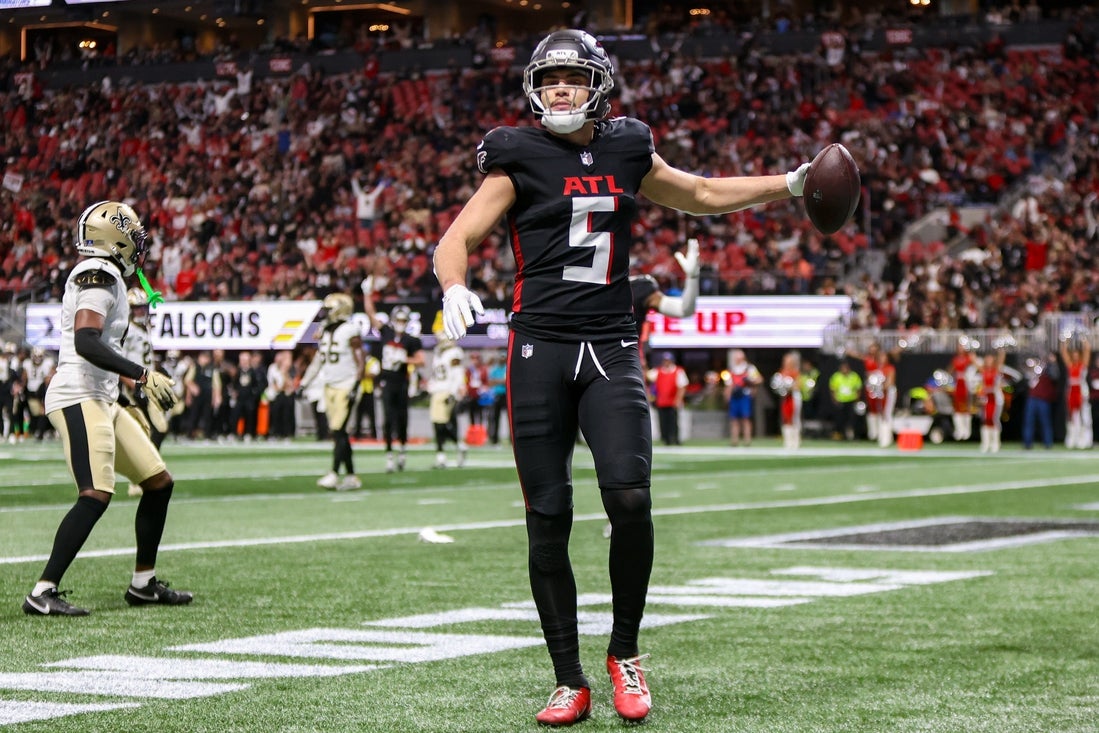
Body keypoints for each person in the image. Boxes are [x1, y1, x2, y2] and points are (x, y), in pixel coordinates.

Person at [432, 29, 811, 726]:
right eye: (549, 80)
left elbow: (699, 192)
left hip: (609, 343)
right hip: (539, 347)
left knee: (630, 499)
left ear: (599, 85)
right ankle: (567, 679)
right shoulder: (515, 153)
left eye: (572, 78)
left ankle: (625, 652)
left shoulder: (627, 146)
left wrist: (787, 184)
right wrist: (453, 283)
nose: (559, 91)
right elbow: (456, 238)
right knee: (548, 517)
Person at [23, 200, 190, 616]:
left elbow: (101, 346)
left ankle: (143, 584)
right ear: (114, 237)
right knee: (95, 493)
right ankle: (42, 591)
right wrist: (142, 374)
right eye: (133, 236)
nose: (138, 244)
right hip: (77, 394)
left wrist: (131, 386)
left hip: (101, 395)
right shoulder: (97, 273)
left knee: (158, 481)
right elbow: (86, 340)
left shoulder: (109, 274)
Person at [300, 292, 365, 490]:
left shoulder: (350, 329)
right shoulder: (326, 330)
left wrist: (356, 385)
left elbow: (360, 359)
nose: (326, 313)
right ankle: (351, 476)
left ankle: (334, 473)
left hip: (346, 384)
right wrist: (304, 383)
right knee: (339, 433)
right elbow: (318, 361)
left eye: (329, 309)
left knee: (338, 430)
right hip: (329, 385)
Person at [120, 287, 168, 497]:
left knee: (155, 430)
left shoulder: (143, 328)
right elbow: (118, 363)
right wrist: (133, 386)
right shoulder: (127, 331)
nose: (140, 311)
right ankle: (143, 475)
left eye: (142, 307)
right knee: (153, 430)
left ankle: (147, 473)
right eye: (136, 308)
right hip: (137, 387)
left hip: (148, 385)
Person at [629, 236, 701, 372]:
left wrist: (692, 277)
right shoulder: (592, 286)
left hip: (625, 363)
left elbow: (684, 309)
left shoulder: (640, 286)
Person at [377, 305, 423, 473]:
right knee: (388, 421)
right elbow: (371, 316)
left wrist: (404, 359)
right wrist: (367, 294)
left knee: (402, 420)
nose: (400, 323)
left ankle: (402, 450)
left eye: (403, 320)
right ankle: (389, 455)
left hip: (402, 383)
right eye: (398, 320)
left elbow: (421, 360)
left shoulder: (411, 340)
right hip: (387, 383)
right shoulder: (387, 334)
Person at [428, 334, 468, 468]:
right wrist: (431, 386)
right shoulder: (437, 353)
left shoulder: (454, 352)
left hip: (447, 391)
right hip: (437, 391)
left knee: (441, 424)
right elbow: (436, 374)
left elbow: (458, 373)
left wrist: (453, 393)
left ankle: (456, 446)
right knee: (437, 424)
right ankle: (444, 454)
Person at [724, 349, 763, 447]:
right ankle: (734, 440)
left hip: (745, 396)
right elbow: (729, 384)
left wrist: (750, 381)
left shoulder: (749, 368)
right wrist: (727, 395)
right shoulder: (732, 369)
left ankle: (747, 440)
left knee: (746, 418)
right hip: (735, 396)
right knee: (734, 419)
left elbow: (759, 379)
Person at [649, 351, 688, 446]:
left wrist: (678, 399)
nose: (666, 362)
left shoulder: (678, 371)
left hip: (673, 401)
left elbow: (682, 387)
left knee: (673, 421)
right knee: (663, 421)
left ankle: (675, 438)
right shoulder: (658, 371)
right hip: (661, 401)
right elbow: (648, 377)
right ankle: (665, 439)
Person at [1022, 352, 1059, 450]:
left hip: (1043, 399)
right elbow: (1026, 379)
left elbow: (1055, 376)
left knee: (1045, 422)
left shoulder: (1048, 369)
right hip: (1032, 398)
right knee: (1029, 421)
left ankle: (1048, 443)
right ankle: (1027, 443)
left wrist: (1053, 363)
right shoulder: (1032, 369)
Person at [1060, 337, 1092, 449]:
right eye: (1073, 355)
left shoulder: (1083, 364)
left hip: (1081, 390)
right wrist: (1066, 340)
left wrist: (1084, 339)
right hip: (1071, 390)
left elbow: (1087, 350)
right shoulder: (1070, 365)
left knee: (1084, 415)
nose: (1075, 357)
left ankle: (1085, 440)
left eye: (1077, 355)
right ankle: (1072, 439)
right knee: (1072, 416)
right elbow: (1063, 352)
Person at [977, 349, 1008, 453]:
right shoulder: (983, 370)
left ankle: (996, 443)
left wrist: (1002, 350)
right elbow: (974, 361)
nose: (988, 361)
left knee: (994, 419)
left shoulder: (996, 370)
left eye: (990, 359)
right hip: (987, 398)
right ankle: (986, 443)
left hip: (996, 398)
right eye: (987, 359)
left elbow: (1001, 360)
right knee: (986, 419)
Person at [771, 351, 802, 449]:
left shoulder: (795, 372)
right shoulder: (782, 372)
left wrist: (789, 387)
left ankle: (795, 442)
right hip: (785, 398)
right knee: (785, 418)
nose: (786, 363)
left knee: (794, 418)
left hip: (794, 397)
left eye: (788, 361)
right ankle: (788, 441)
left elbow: (798, 386)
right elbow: (776, 385)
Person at [948, 339, 977, 441]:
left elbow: (975, 367)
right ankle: (959, 430)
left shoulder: (969, 358)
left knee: (966, 407)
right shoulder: (955, 359)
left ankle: (967, 431)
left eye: (962, 346)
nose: (960, 348)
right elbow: (950, 370)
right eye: (959, 346)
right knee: (957, 408)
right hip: (958, 385)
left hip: (966, 384)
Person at [829, 359, 862, 441]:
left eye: (845, 368)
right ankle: (840, 434)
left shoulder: (854, 376)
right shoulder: (836, 376)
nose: (844, 369)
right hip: (840, 401)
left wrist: (857, 399)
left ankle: (852, 434)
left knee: (852, 418)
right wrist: (834, 399)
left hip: (851, 400)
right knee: (840, 418)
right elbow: (833, 389)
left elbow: (858, 388)